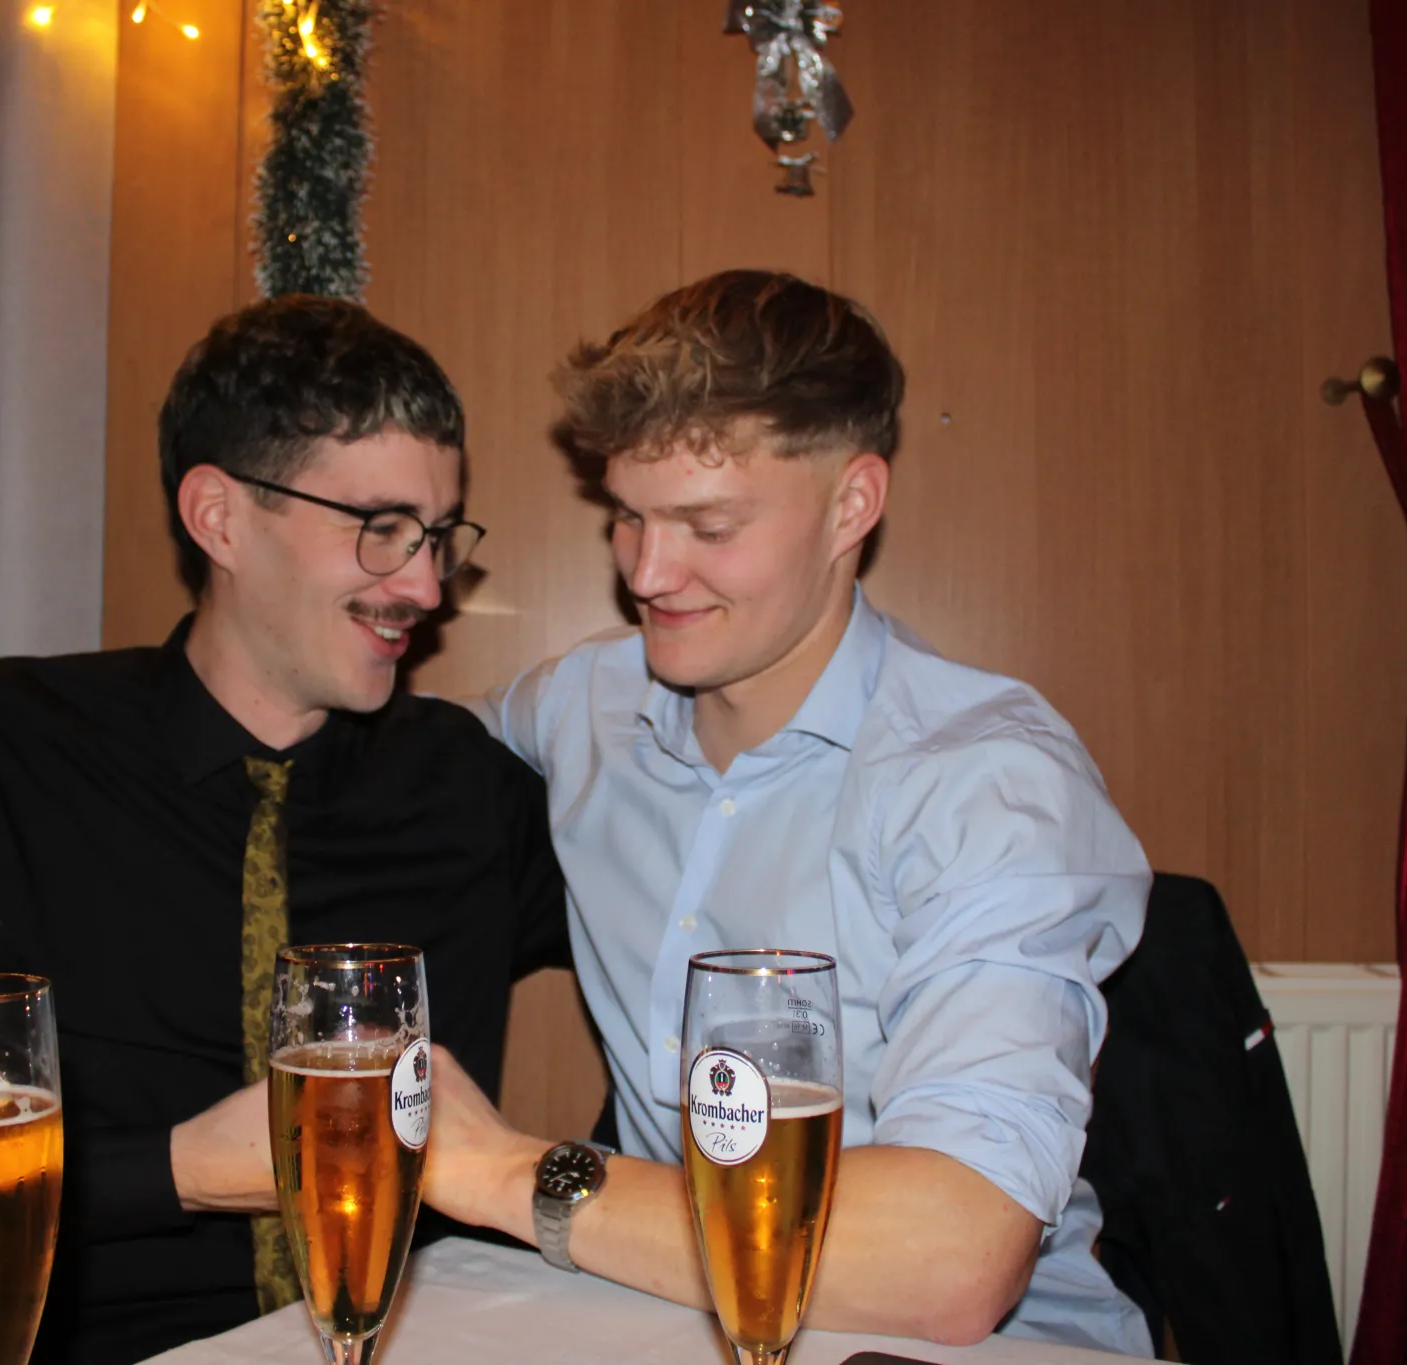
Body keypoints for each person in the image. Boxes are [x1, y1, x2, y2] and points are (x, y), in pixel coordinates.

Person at [0, 296, 570, 1365]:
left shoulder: (465, 789)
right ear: (218, 517)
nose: (424, 585)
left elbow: (674, 946)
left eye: (438, 536)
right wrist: (175, 1169)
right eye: (381, 530)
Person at [420, 270, 1155, 1355]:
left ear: (851, 505)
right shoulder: (583, 704)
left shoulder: (984, 781)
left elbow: (952, 1258)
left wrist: (504, 1173)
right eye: (627, 517)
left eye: (708, 524)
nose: (648, 573)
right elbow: (391, 758)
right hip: (680, 1323)